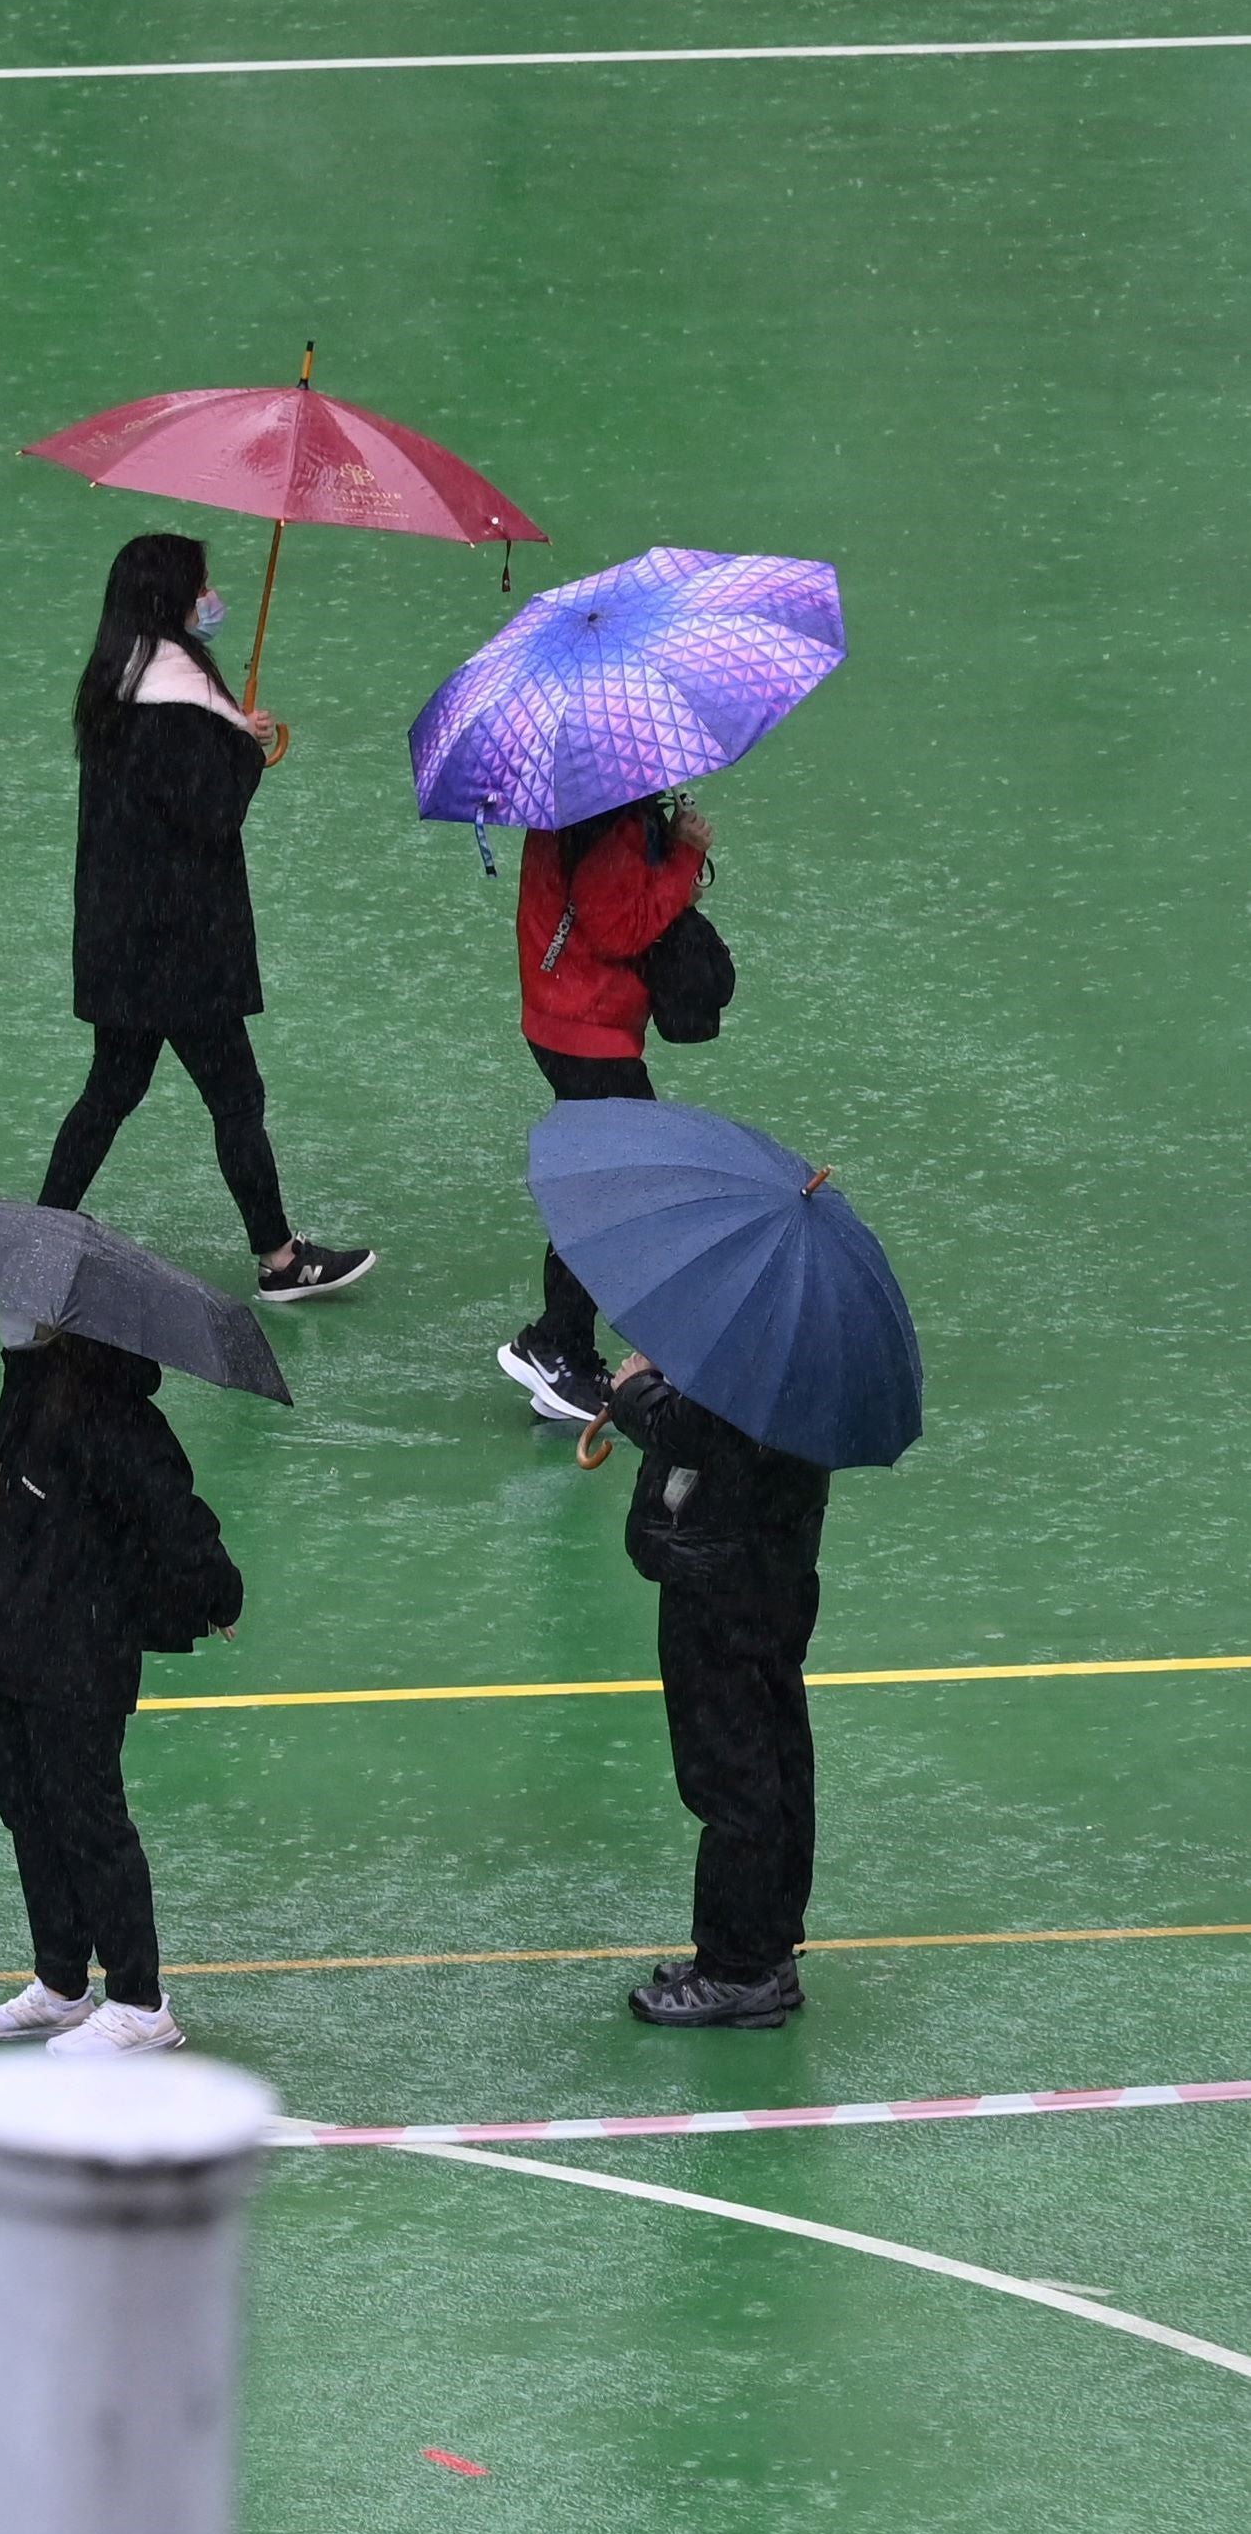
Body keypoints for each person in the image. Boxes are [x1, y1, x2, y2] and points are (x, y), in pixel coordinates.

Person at [32, 535, 376, 1307]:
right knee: (236, 1097)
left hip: (122, 936)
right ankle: (281, 1260)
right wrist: (244, 749)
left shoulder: (115, 685)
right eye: (201, 587)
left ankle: (42, 1233)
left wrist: (226, 734)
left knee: (110, 1091)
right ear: (172, 601)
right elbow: (211, 815)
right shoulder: (178, 704)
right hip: (181, 945)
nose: (210, 598)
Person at [0, 1326, 245, 2056]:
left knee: (89, 1821)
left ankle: (142, 2005)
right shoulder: (30, 1388)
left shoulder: (121, 1417)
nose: (5, 1319)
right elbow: (5, 1479)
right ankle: (62, 1987)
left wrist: (217, 1592)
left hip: (79, 1645)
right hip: (10, 1630)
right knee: (27, 1808)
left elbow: (175, 1514)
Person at [602, 1343, 825, 2026]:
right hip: (771, 1569)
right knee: (775, 1748)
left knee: (731, 1773)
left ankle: (735, 1970)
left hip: (720, 1576)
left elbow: (699, 1431)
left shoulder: (753, 1348)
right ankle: (764, 1947)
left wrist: (635, 1391)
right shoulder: (809, 1343)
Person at [495, 795, 713, 1425]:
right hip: (589, 1033)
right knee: (615, 1195)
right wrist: (685, 860)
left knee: (608, 1185)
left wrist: (667, 856)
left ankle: (566, 1352)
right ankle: (554, 1343)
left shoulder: (574, 803)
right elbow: (618, 927)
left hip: (567, 1021)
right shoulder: (610, 823)